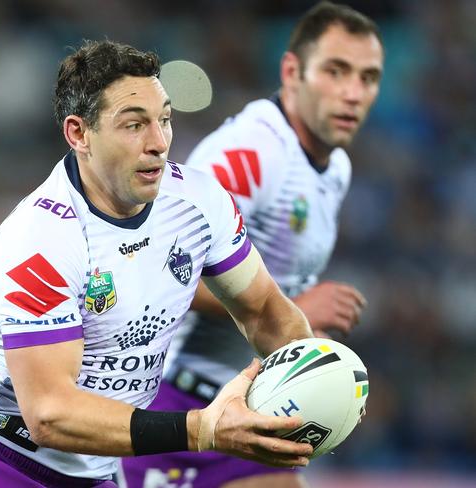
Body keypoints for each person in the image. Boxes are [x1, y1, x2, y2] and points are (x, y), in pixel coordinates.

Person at [0, 39, 317, 488]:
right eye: (134, 125)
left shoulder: (200, 202)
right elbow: (50, 414)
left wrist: (317, 376)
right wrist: (202, 429)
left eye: (164, 120)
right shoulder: (40, 238)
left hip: (92, 472)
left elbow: (264, 307)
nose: (158, 143)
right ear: (78, 134)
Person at [120, 2, 384, 487]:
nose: (353, 93)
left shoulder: (335, 168)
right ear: (291, 72)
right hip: (169, 400)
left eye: (368, 78)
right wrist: (296, 307)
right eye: (335, 71)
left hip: (246, 408)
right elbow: (152, 274)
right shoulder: (249, 154)